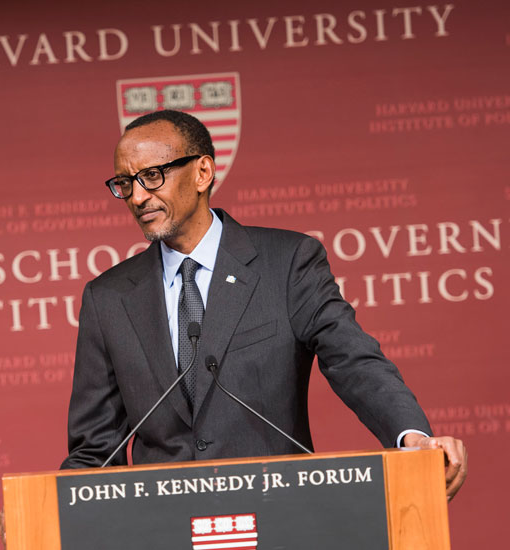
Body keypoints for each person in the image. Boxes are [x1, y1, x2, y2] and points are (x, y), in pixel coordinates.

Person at [60, 109, 467, 500]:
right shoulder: (109, 298)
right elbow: (96, 450)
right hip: (166, 525)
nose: (137, 197)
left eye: (152, 176)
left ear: (203, 172)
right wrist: (50, 509)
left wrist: (411, 436)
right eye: (125, 183)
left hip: (279, 512)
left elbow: (353, 360)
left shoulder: (286, 262)